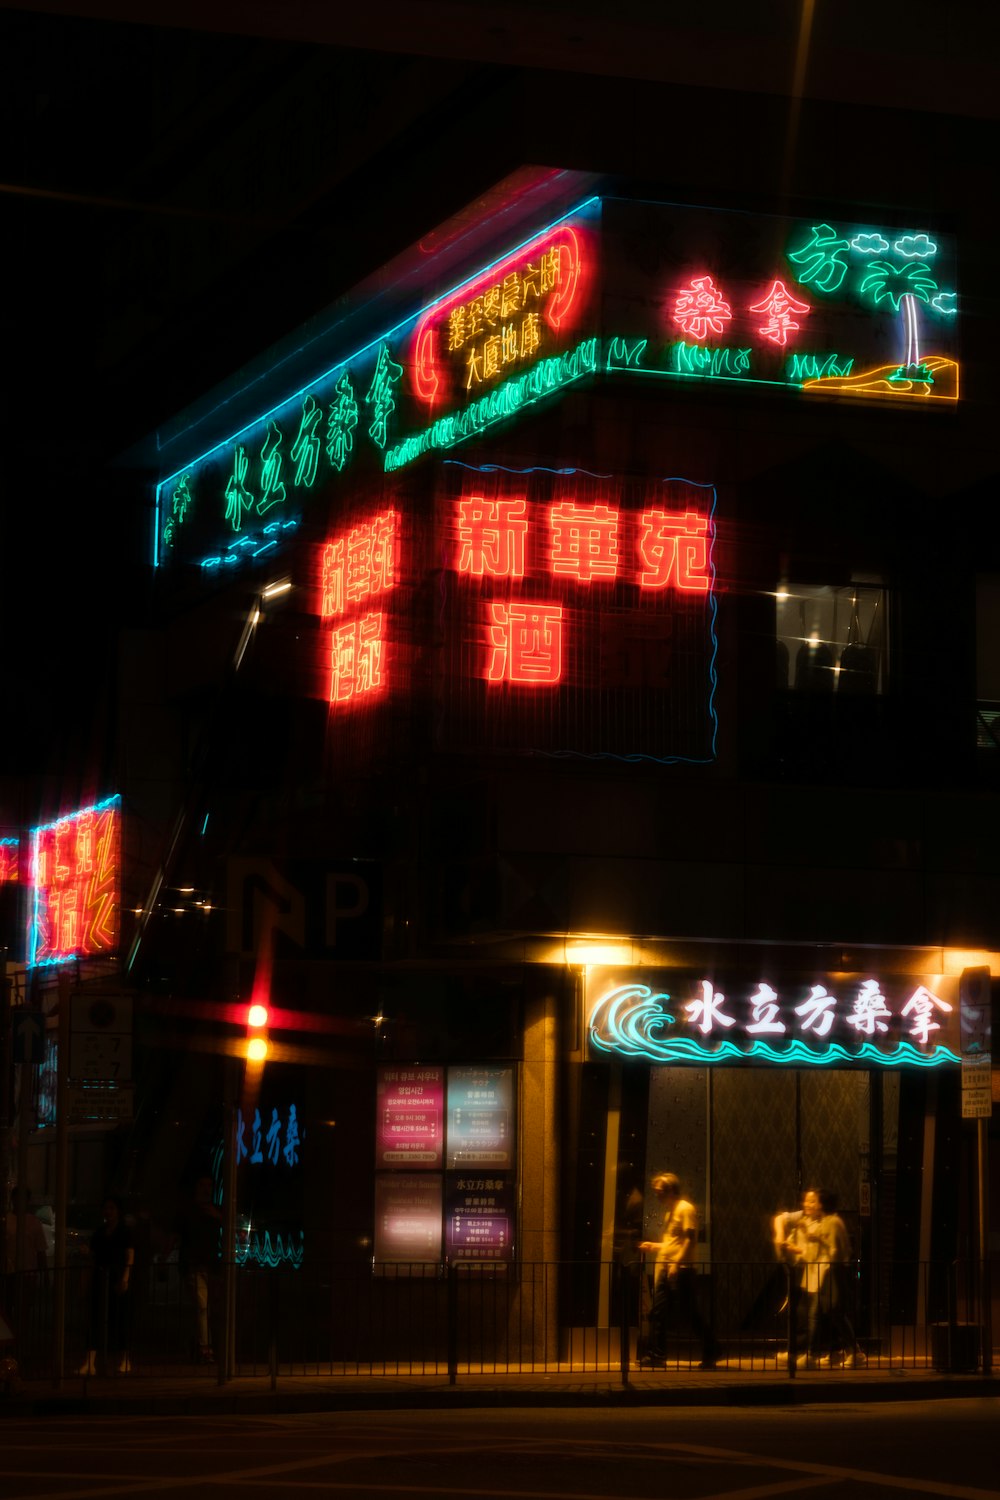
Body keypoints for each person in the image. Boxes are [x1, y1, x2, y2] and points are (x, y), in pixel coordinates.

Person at [773, 1187, 863, 1368]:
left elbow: (834, 1249)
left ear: (822, 1204)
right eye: (807, 1201)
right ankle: (839, 1351)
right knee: (830, 1314)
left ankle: (817, 1354)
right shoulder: (823, 1221)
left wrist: (808, 1242)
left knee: (827, 1314)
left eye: (814, 1201)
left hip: (829, 1272)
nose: (808, 1204)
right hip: (821, 1273)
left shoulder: (832, 1222)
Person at [638, 1172, 718, 1369]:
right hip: (670, 1267)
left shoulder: (685, 1209)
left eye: (659, 1192)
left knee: (687, 1313)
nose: (657, 1196)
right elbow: (672, 1242)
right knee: (660, 1312)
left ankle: (712, 1350)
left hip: (681, 1269)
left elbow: (690, 1239)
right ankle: (657, 1354)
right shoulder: (671, 1211)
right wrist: (655, 1247)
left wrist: (676, 1263)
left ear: (670, 1190)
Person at [79, 1196, 134, 1376]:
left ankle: (124, 1360)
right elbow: (93, 1258)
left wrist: (125, 1278)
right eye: (106, 1208)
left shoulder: (124, 1232)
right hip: (101, 1278)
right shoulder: (99, 1233)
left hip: (117, 1278)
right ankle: (90, 1362)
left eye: (111, 1208)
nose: (108, 1212)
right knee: (95, 1319)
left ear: (118, 1211)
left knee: (120, 1319)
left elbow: (129, 1256)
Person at [177, 1176, 222, 1364]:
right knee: (203, 1307)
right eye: (203, 1185)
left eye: (209, 1186)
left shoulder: (214, 1211)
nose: (206, 1189)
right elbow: (177, 1235)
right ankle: (205, 1348)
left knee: (204, 1308)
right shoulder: (189, 1211)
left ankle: (198, 1344)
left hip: (210, 1266)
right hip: (195, 1265)